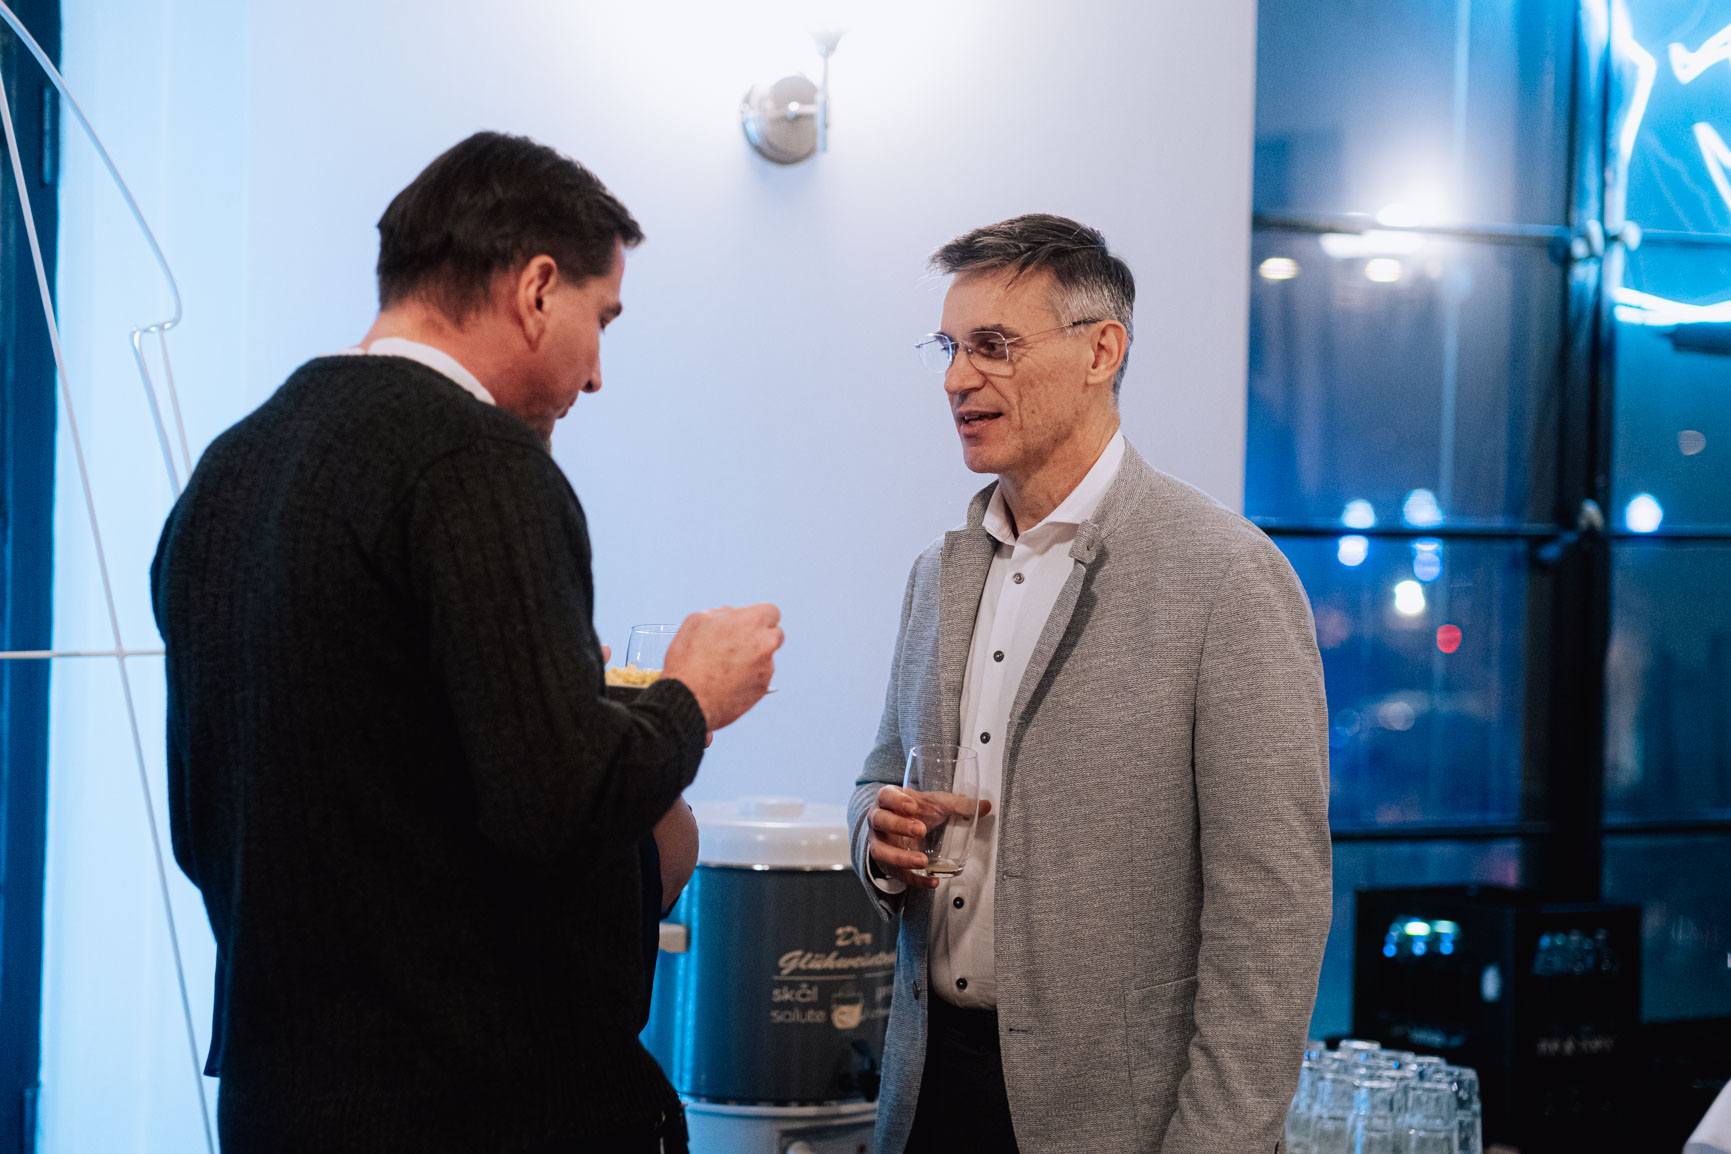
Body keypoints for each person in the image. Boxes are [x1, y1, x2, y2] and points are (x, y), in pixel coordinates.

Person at [150, 131, 782, 1154]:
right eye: (601, 320)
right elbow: (558, 801)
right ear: (537, 289)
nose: (597, 374)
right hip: (474, 1099)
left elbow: (222, 810)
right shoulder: (477, 459)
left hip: (280, 1095)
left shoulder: (229, 469)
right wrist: (689, 697)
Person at [847, 214, 1331, 1153]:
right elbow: (877, 777)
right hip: (925, 1094)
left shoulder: (1225, 576)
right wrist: (878, 835)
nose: (955, 380)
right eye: (948, 348)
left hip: (1118, 1120)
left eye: (992, 346)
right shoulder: (935, 575)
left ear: (1100, 351)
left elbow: (1271, 914)